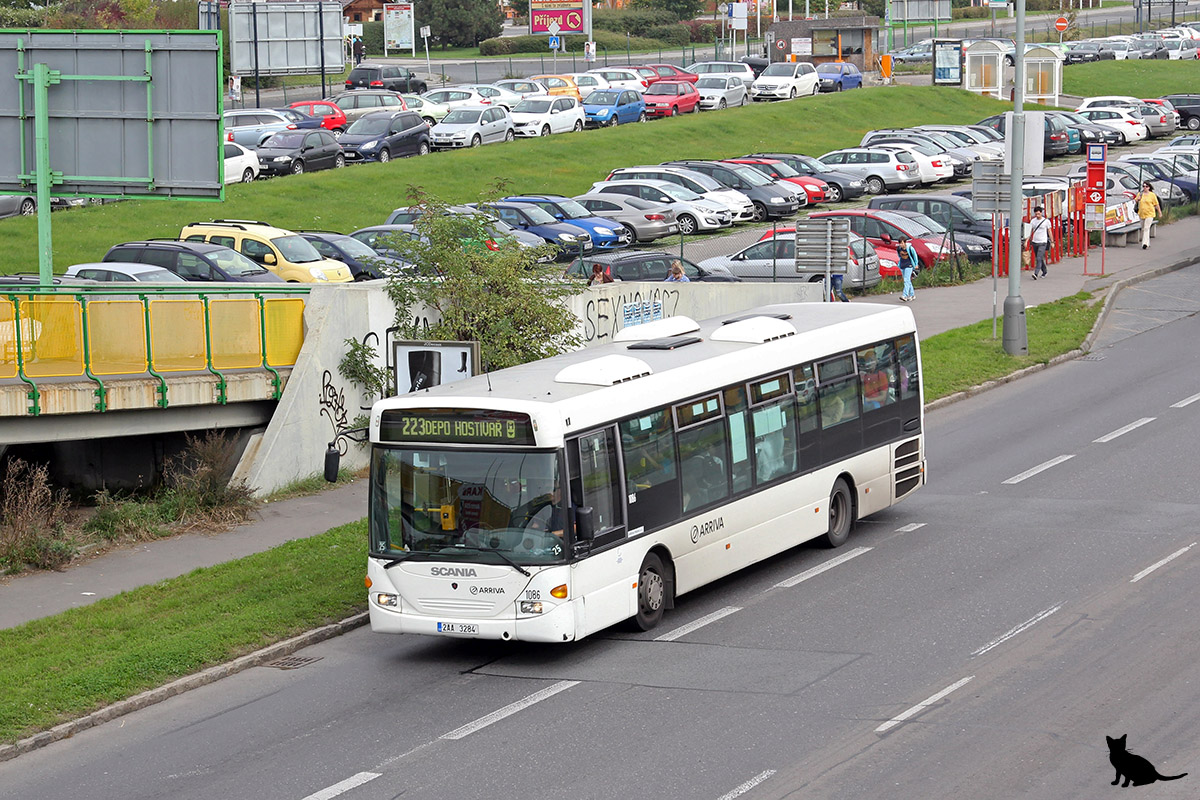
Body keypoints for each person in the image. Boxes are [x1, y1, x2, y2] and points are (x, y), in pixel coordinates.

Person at [1135, 181, 1161, 250]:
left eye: (1146, 186)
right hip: (1142, 213)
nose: (1145, 188)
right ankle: (1148, 242)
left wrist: (1159, 212)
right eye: (1143, 186)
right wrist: (1137, 199)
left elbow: (1156, 204)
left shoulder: (1152, 195)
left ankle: (1145, 244)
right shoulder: (1140, 194)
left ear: (1149, 187)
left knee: (1146, 228)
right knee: (1143, 228)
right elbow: (1136, 201)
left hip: (1150, 213)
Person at [1027, 206, 1050, 279]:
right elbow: (1030, 231)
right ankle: (1044, 271)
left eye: (1039, 214)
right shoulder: (1033, 221)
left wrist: (1052, 241)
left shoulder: (1046, 221)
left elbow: (1049, 231)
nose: (1037, 215)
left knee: (1039, 258)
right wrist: (1027, 240)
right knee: (1039, 258)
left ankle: (1036, 273)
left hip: (1043, 242)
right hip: (1035, 242)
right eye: (1036, 214)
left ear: (1041, 213)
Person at [897, 235, 918, 302]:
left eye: (902, 243)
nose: (901, 245)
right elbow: (899, 256)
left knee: (906, 280)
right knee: (907, 280)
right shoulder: (899, 249)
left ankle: (905, 295)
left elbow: (915, 256)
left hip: (909, 265)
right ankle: (912, 295)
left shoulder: (910, 248)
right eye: (900, 243)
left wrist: (916, 264)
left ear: (905, 242)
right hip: (902, 265)